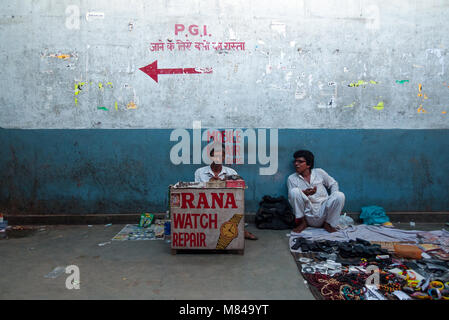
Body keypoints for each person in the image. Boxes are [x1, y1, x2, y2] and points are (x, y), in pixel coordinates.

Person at [194, 144, 258, 240]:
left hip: (226, 204)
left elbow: (239, 189)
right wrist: (209, 183)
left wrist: (225, 183)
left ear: (224, 157)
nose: (218, 158)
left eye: (221, 155)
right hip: (206, 203)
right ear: (211, 156)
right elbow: (195, 192)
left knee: (236, 204)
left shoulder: (231, 172)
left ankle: (241, 230)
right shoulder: (200, 172)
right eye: (215, 155)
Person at [287, 150, 345, 233]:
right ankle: (302, 223)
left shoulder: (319, 172)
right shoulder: (292, 178)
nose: (296, 164)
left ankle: (328, 224)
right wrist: (304, 193)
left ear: (309, 164)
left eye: (300, 161)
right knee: (294, 192)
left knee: (339, 195)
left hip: (324, 212)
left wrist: (333, 203)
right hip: (307, 214)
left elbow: (333, 184)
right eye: (295, 161)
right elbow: (291, 199)